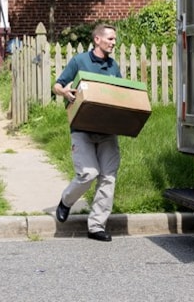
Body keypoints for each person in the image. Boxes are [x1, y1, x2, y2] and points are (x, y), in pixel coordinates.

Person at [52, 23, 121, 242]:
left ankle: (96, 226)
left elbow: (118, 93)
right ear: (97, 40)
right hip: (82, 128)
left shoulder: (113, 66)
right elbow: (57, 85)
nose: (113, 43)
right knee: (88, 174)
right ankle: (66, 202)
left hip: (108, 130)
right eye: (110, 39)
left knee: (108, 177)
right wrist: (65, 92)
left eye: (114, 39)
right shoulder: (80, 61)